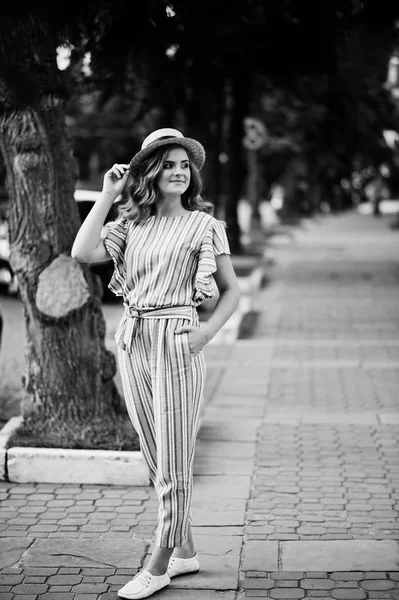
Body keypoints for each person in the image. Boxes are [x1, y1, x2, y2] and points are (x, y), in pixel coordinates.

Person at [71, 128, 240, 599]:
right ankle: (186, 551)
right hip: (133, 340)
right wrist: (107, 194)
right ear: (149, 171)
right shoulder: (132, 225)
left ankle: (158, 563)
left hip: (177, 340)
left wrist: (204, 334)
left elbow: (232, 291)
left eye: (184, 165)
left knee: (174, 460)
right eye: (168, 164)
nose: (179, 172)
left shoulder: (205, 226)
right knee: (155, 455)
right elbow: (82, 252)